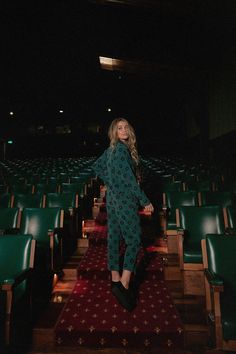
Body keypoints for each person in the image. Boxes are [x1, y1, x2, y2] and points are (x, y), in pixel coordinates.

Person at [92, 118, 154, 311]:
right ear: (114, 132)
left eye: (126, 126)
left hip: (113, 199)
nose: (123, 129)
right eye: (119, 127)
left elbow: (97, 166)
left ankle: (115, 278)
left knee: (113, 237)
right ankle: (125, 282)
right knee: (134, 240)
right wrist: (145, 201)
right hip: (125, 199)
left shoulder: (111, 150)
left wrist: (112, 183)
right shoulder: (120, 150)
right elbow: (129, 180)